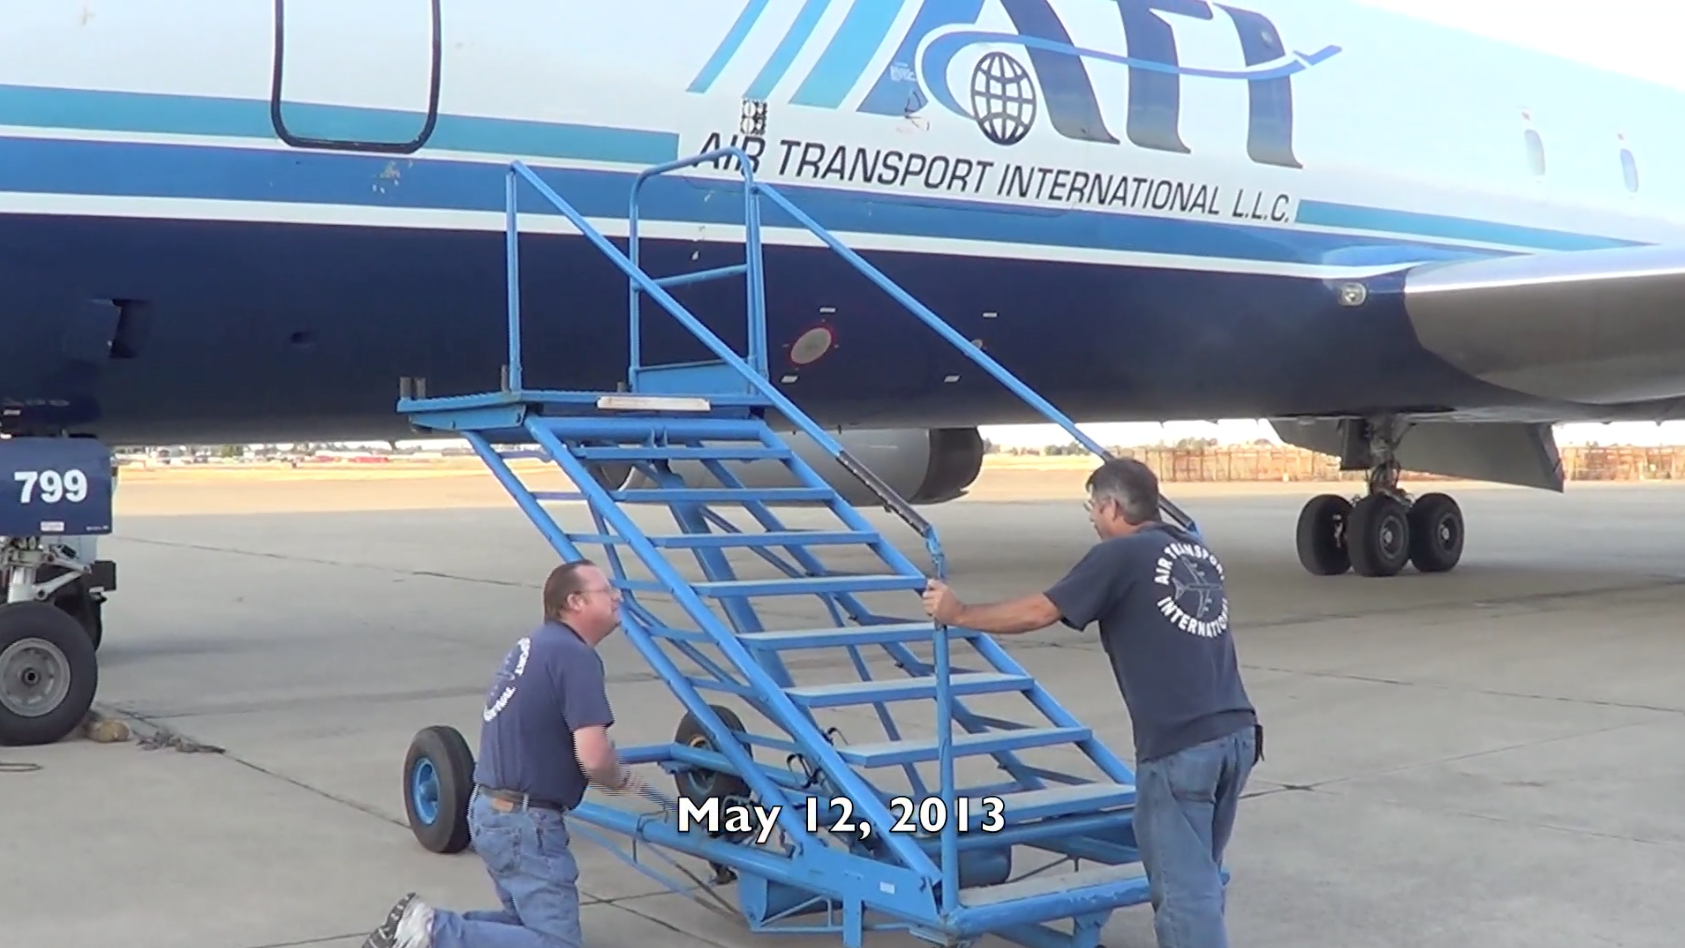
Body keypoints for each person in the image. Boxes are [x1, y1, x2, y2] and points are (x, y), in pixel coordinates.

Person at [921, 457, 1260, 948]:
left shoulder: (1119, 556)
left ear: (1111, 506)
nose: (1092, 519)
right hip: (1236, 736)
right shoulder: (1194, 551)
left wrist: (959, 612)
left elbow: (1041, 611)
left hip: (1182, 749)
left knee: (1185, 896)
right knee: (1201, 879)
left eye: (1092, 508)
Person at [363, 559, 646, 948]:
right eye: (606, 591)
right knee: (555, 944)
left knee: (519, 931)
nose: (617, 597)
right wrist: (619, 778)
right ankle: (429, 931)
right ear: (575, 601)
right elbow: (594, 757)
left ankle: (418, 934)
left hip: (493, 810)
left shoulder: (536, 645)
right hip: (525, 823)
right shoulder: (575, 657)